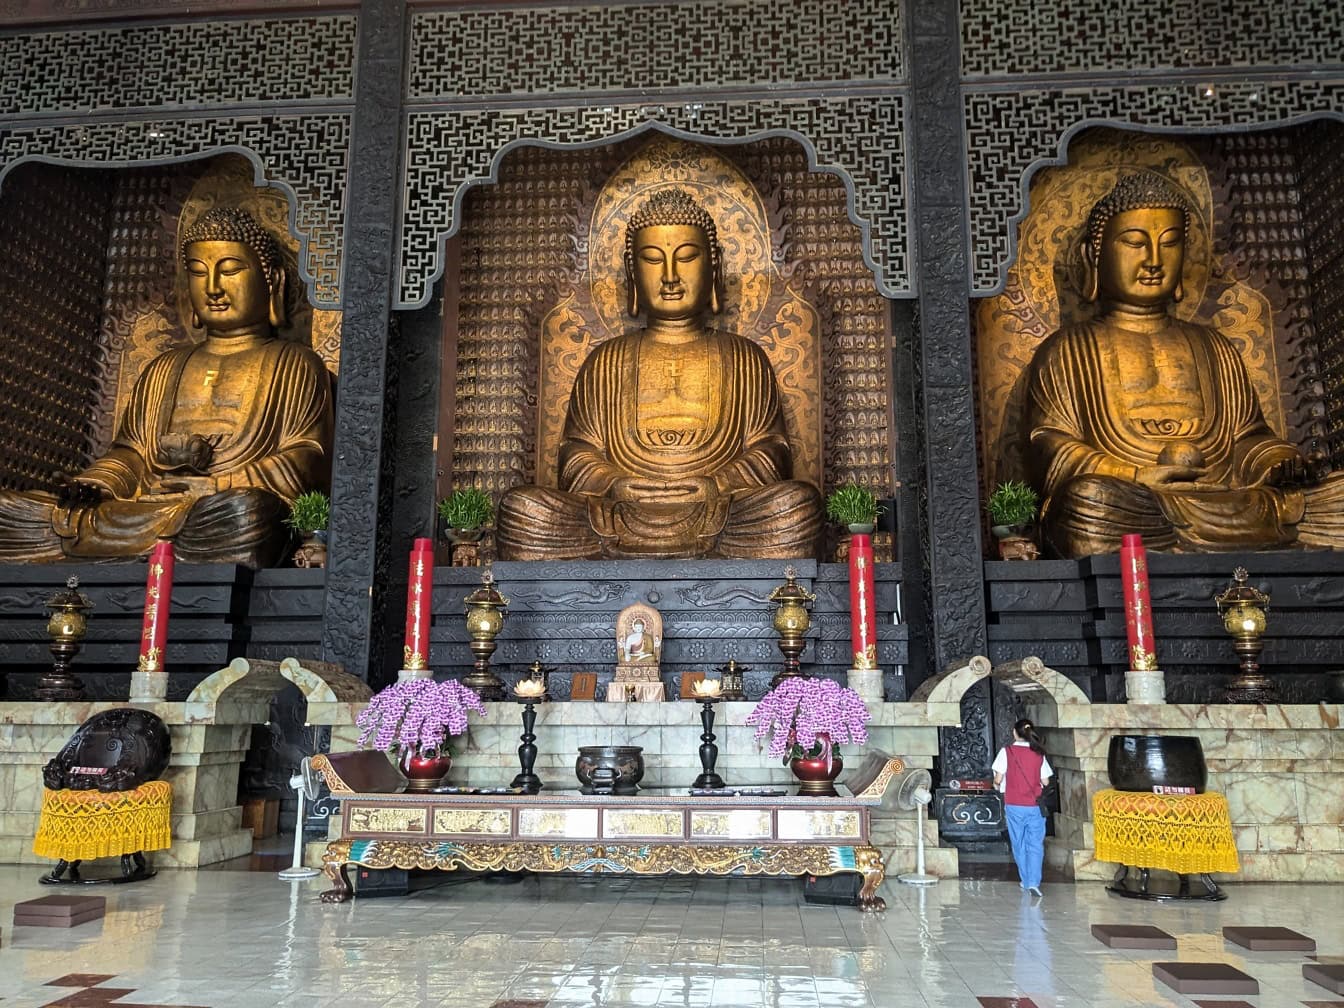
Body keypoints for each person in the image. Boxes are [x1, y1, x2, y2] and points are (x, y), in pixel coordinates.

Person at [1025, 172, 1344, 557]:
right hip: (1138, 505)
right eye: (1134, 242)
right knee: (1087, 503)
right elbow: (1049, 447)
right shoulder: (1067, 350)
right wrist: (1137, 475)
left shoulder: (1214, 347)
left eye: (1171, 243)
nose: (1154, 261)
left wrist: (1275, 460)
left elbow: (1247, 438)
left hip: (1227, 498)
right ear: (1093, 255)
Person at [495, 187, 823, 560]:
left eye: (686, 257)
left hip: (716, 513)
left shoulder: (744, 358)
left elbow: (771, 452)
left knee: (796, 506)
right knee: (523, 510)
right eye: (652, 259)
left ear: (713, 266)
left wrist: (715, 484)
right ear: (632, 271)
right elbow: (576, 455)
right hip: (618, 517)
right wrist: (617, 484)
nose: (670, 276)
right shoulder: (606, 360)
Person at [0, 207, 333, 568]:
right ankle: (135, 548)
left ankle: (126, 550)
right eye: (198, 272)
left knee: (249, 515)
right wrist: (94, 485)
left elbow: (308, 458)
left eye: (231, 269)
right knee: (12, 510)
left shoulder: (295, 364)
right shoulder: (163, 368)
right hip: (142, 509)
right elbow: (131, 455)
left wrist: (219, 486)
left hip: (214, 513)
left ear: (273, 281)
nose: (213, 288)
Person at [993, 718, 1053, 898]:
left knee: (1018, 842)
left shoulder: (1007, 752)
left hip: (1014, 804)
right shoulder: (1039, 753)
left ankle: (1026, 880)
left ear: (1014, 732)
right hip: (1034, 805)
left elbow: (998, 778)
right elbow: (1045, 781)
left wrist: (997, 785)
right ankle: (1034, 882)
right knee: (1035, 844)